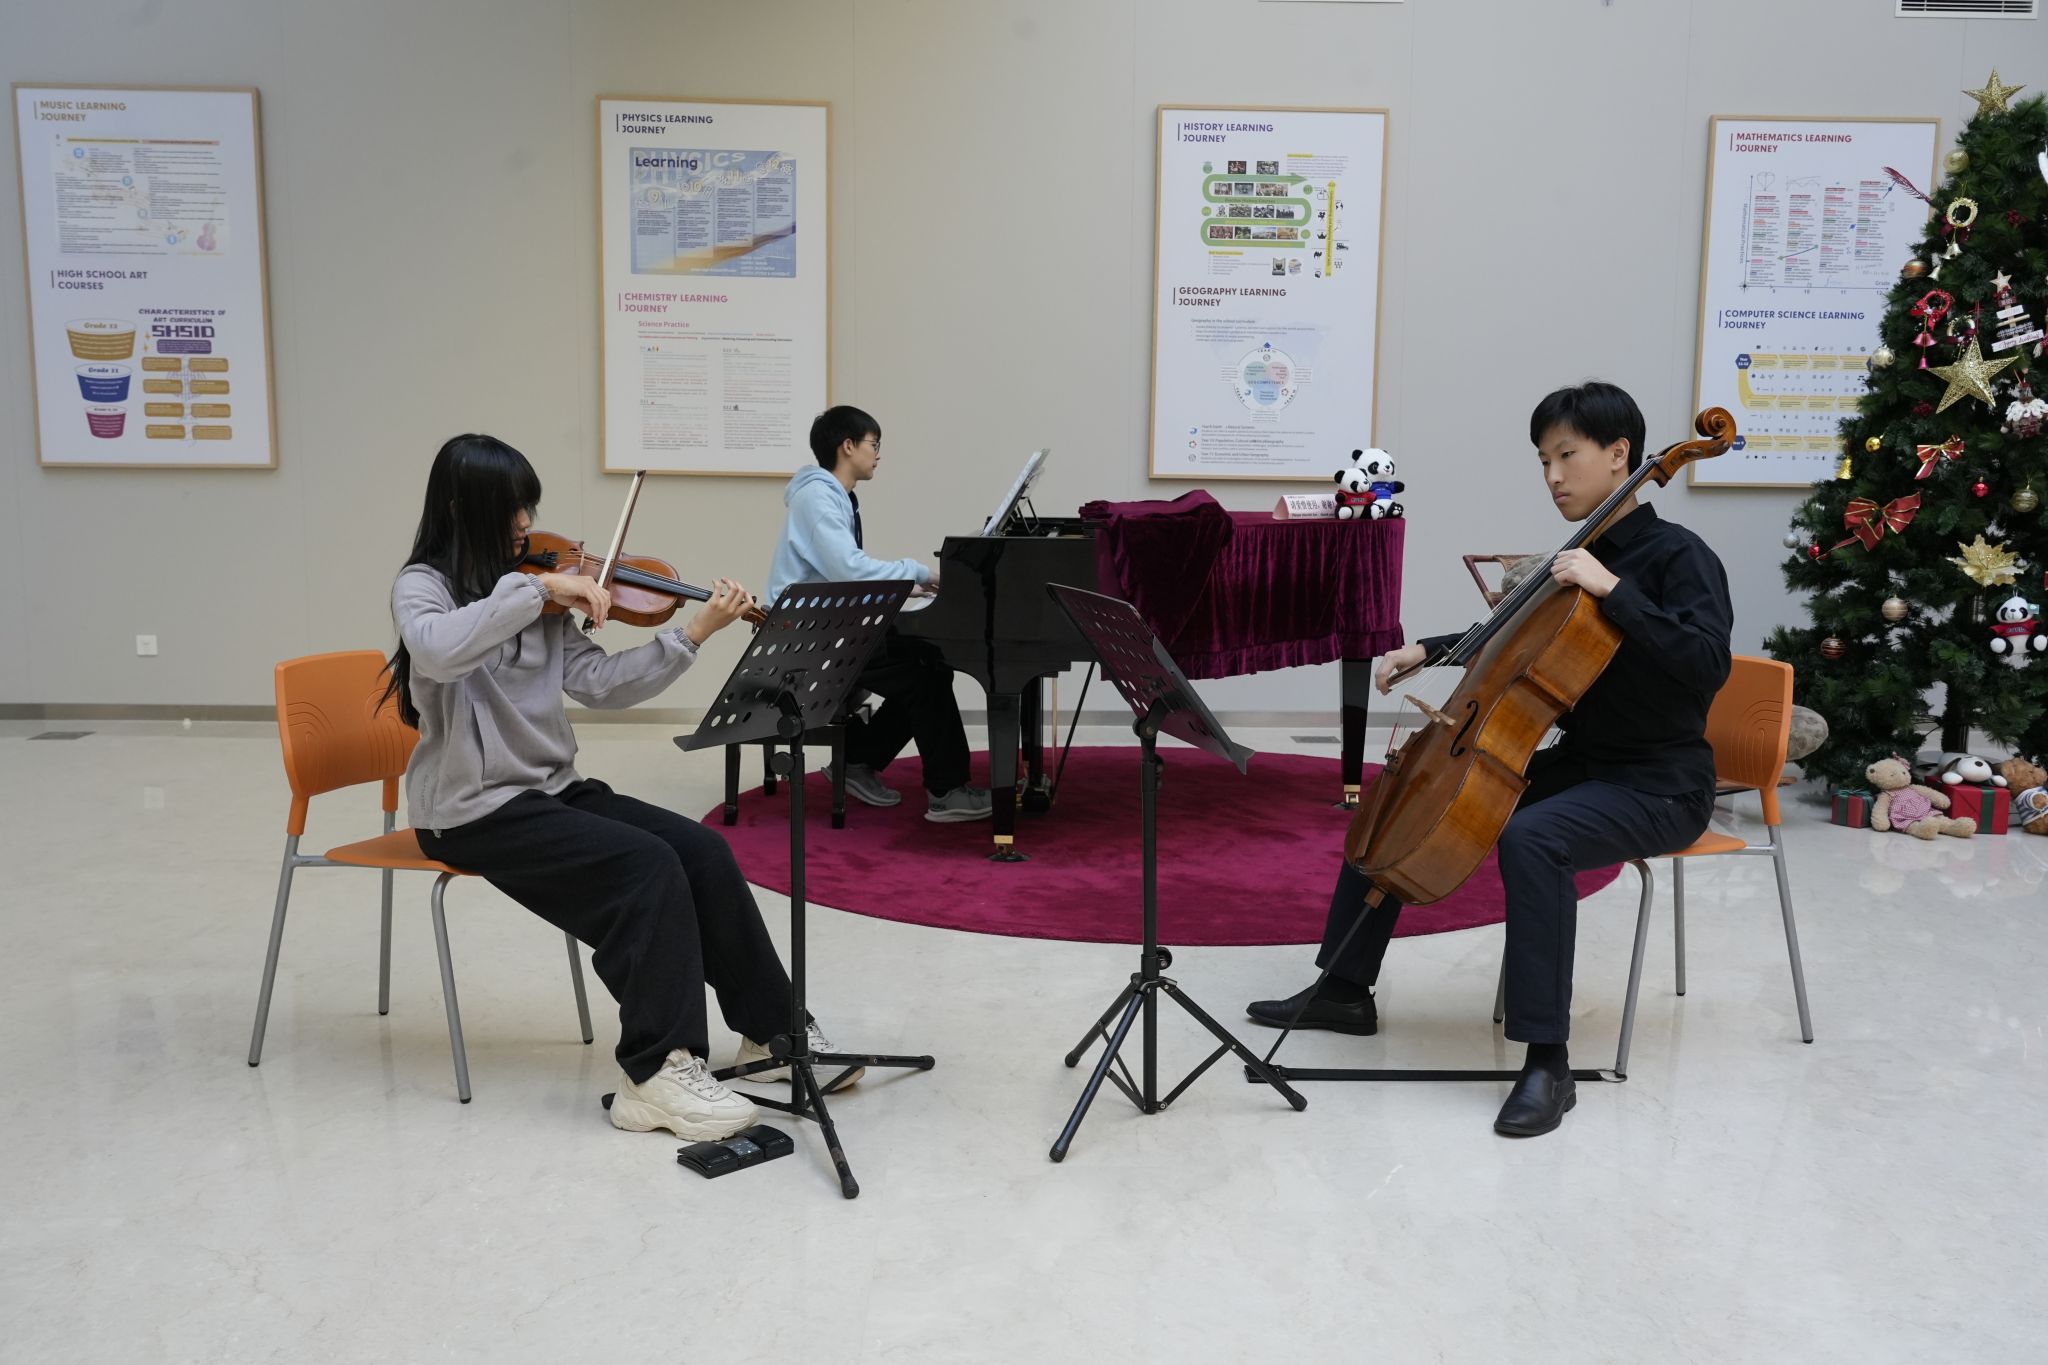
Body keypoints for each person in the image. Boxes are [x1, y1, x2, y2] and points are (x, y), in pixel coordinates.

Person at [1246, 382, 1734, 1138]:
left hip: (1661, 784)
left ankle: (1548, 1061)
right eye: (1543, 462)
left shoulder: (1678, 556)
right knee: (1406, 792)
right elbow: (1512, 646)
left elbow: (1706, 664)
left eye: (1566, 455)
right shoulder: (1574, 558)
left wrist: (1614, 591)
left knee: (1535, 837)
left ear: (1620, 455)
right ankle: (1342, 988)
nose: (1553, 476)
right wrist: (1429, 650)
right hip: (1584, 765)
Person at [384, 433, 851, 1142]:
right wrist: (539, 589)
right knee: (646, 868)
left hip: (548, 789)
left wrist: (693, 632)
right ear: (462, 508)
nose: (525, 523)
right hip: (470, 808)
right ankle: (655, 1073)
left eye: (528, 506)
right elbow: (439, 651)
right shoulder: (427, 587)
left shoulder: (535, 593)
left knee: (700, 850)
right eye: (511, 508)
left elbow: (602, 684)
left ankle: (771, 1032)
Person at [765, 405, 993, 822]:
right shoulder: (817, 497)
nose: (878, 453)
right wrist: (917, 573)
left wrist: (906, 587)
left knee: (930, 664)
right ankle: (946, 791)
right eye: (874, 443)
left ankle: (858, 761)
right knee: (925, 675)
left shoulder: (833, 496)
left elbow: (843, 574)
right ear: (848, 446)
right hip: (807, 638)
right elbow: (849, 570)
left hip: (831, 626)